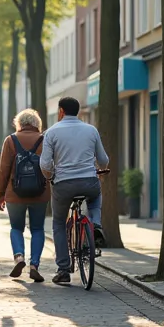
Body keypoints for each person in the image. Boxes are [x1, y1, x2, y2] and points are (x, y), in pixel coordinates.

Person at [41, 97, 109, 285]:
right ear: (78, 111)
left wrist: (50, 176)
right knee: (95, 198)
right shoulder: (91, 130)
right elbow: (103, 159)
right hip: (88, 181)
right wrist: (99, 170)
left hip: (63, 184)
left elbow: (45, 164)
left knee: (58, 223)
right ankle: (95, 225)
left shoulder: (52, 132)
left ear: (61, 111)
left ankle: (63, 270)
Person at [0, 109, 52, 282]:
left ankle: (19, 257)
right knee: (37, 229)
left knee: (16, 228)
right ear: (37, 124)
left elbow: (4, 169)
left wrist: (0, 194)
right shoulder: (45, 139)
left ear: (19, 124)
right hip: (40, 192)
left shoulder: (11, 140)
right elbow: (50, 166)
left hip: (15, 193)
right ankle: (34, 264)